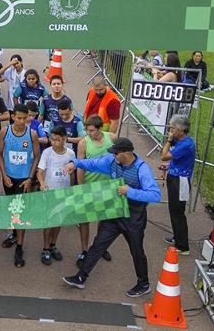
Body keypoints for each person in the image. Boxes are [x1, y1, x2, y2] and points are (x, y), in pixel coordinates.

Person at [62, 137, 161, 298]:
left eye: (116, 153)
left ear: (126, 153)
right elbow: (92, 164)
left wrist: (130, 191)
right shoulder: (112, 161)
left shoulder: (142, 169)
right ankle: (81, 277)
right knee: (98, 244)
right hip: (115, 211)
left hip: (133, 217)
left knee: (137, 251)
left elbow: (155, 195)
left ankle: (143, 284)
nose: (113, 156)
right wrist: (75, 163)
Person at [0, 104, 40, 265]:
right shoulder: (4, 131)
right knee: (11, 210)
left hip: (24, 180)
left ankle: (20, 247)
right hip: (8, 177)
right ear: (12, 116)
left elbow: (36, 157)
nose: (22, 121)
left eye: (25, 118)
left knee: (20, 213)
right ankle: (15, 235)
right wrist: (3, 174)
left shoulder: (32, 134)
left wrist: (30, 178)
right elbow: (0, 154)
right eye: (19, 118)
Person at [75, 115, 116, 266]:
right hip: (89, 185)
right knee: (85, 220)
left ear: (99, 129)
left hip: (107, 187)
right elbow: (80, 165)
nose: (88, 133)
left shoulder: (112, 138)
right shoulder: (83, 143)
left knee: (103, 220)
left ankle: (99, 246)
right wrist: (80, 187)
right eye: (87, 130)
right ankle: (84, 250)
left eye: (91, 130)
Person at [37, 126, 77, 265]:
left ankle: (53, 244)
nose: (54, 143)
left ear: (65, 139)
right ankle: (46, 248)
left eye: (58, 140)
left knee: (59, 221)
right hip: (49, 193)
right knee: (49, 221)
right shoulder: (47, 153)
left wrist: (70, 190)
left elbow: (72, 173)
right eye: (52, 139)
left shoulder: (71, 154)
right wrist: (42, 183)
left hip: (63, 193)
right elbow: (40, 171)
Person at [160, 115, 195, 255]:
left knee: (177, 212)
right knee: (174, 210)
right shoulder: (184, 141)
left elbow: (163, 155)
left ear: (180, 129)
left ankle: (182, 246)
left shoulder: (185, 145)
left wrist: (168, 140)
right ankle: (177, 236)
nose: (170, 131)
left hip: (180, 181)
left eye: (172, 128)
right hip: (176, 177)